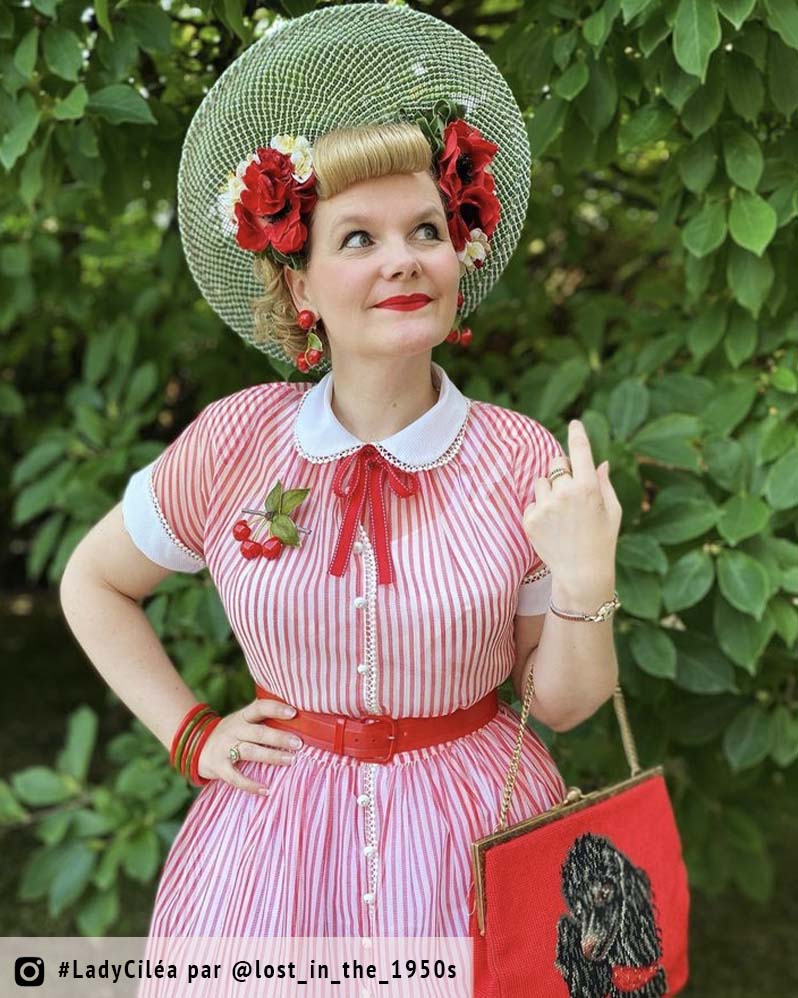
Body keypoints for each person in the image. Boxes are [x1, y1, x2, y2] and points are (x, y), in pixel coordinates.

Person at [58, 2, 621, 984]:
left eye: (425, 229)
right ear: (302, 285)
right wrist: (190, 731)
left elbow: (560, 702)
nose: (402, 255)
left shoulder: (519, 456)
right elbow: (93, 583)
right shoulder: (236, 441)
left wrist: (585, 573)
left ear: (460, 258)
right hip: (275, 844)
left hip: (475, 836)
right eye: (357, 237)